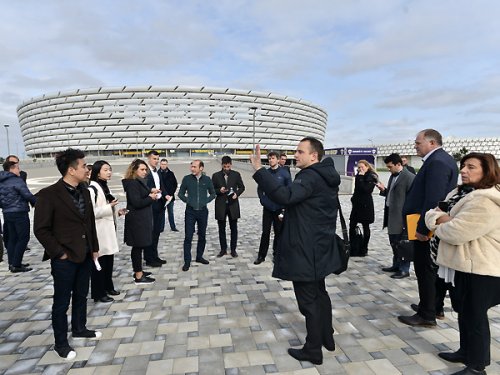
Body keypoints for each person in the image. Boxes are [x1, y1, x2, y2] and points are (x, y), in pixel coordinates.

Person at [250, 137, 341, 366]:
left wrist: (260, 171)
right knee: (320, 294)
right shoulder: (325, 176)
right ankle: (326, 337)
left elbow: (285, 196)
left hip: (305, 249)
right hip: (319, 247)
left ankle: (313, 350)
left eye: (300, 152)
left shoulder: (310, 176)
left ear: (314, 156)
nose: (295, 155)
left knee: (308, 301)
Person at [425, 153, 500, 375]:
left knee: (475, 316)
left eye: (471, 167)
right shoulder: (459, 193)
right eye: (463, 166)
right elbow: (433, 212)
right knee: (465, 312)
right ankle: (465, 352)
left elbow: (457, 232)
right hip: (461, 265)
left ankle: (478, 366)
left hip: (481, 268)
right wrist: (441, 218)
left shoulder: (485, 200)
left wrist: (441, 221)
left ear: (487, 171)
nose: (464, 171)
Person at [34, 148, 102, 360]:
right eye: (83, 166)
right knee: (61, 303)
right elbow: (41, 229)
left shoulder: (84, 190)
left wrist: (94, 248)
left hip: (84, 255)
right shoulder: (48, 195)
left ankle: (79, 328)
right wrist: (59, 253)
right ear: (71, 170)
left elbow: (89, 222)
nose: (87, 169)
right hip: (65, 259)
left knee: (81, 295)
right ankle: (60, 344)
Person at [398, 129, 458, 328]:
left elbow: (434, 199)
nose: (415, 146)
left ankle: (427, 314)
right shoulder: (440, 160)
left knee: (425, 269)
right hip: (429, 223)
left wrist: (423, 228)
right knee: (432, 268)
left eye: (418, 143)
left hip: (427, 227)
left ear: (432, 143)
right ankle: (433, 306)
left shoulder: (438, 162)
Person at [88, 161, 125, 303]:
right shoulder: (93, 189)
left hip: (108, 231)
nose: (109, 172)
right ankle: (98, 293)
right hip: (99, 233)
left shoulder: (104, 187)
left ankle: (108, 287)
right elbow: (91, 213)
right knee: (99, 263)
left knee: (109, 261)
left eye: (110, 169)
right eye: (105, 170)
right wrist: (109, 207)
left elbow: (106, 210)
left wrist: (117, 212)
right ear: (98, 172)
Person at [376, 153, 415, 279]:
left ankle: (404, 269)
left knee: (402, 243)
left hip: (401, 217)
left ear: (399, 164)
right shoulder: (392, 176)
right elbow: (393, 193)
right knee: (394, 242)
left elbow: (412, 199)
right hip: (391, 215)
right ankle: (396, 265)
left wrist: (407, 218)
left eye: (390, 167)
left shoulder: (410, 178)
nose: (388, 169)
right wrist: (384, 191)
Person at [122, 159, 158, 285]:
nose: (144, 172)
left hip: (141, 219)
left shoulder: (137, 182)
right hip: (137, 221)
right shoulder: (132, 183)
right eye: (142, 169)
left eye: (145, 169)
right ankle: (138, 275)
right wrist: (150, 197)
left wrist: (150, 192)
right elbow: (136, 202)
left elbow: (140, 195)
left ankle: (139, 271)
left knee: (140, 246)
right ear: (134, 170)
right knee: (137, 247)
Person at [254, 151, 291, 265]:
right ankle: (261, 256)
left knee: (279, 233)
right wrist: (263, 200)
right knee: (265, 232)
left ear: (278, 159)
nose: (270, 160)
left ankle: (277, 255)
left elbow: (289, 191)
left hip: (279, 208)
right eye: (269, 158)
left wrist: (284, 207)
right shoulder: (265, 173)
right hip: (268, 208)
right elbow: (260, 189)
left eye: (273, 158)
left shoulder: (285, 174)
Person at [178, 160, 216, 272]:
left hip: (203, 212)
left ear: (201, 168)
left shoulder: (207, 180)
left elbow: (213, 193)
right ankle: (187, 261)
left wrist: (205, 201)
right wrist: (188, 201)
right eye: (191, 167)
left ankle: (199, 257)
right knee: (188, 237)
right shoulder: (186, 179)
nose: (192, 169)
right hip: (190, 212)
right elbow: (180, 194)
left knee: (202, 235)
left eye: (194, 167)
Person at [0, 160, 36, 272]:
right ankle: (16, 264)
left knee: (12, 239)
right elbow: (27, 195)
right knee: (23, 238)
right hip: (19, 213)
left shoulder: (1, 181)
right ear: (11, 168)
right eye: (17, 168)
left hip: (6, 213)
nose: (19, 170)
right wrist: (38, 202)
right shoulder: (16, 180)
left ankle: (12, 263)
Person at [212, 156, 245, 258]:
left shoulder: (236, 174)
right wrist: (219, 190)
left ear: (231, 164)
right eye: (225, 166)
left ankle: (233, 250)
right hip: (221, 205)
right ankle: (223, 249)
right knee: (221, 228)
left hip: (233, 205)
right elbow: (212, 190)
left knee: (233, 228)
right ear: (222, 165)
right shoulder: (216, 176)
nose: (226, 168)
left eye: (228, 166)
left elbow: (242, 187)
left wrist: (237, 194)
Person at [349, 160, 378, 256]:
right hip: (357, 204)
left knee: (366, 226)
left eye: (362, 167)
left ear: (367, 167)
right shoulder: (359, 175)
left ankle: (364, 248)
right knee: (352, 224)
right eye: (359, 167)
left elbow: (366, 190)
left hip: (366, 205)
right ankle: (353, 246)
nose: (360, 169)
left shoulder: (371, 176)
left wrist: (361, 177)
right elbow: (357, 189)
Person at [144, 150, 167, 267]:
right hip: (150, 205)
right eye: (154, 159)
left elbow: (161, 185)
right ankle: (149, 259)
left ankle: (155, 255)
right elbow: (143, 187)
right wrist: (151, 190)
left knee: (157, 232)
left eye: (157, 159)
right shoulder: (145, 171)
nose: (156, 161)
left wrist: (166, 194)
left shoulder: (157, 172)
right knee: (150, 233)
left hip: (159, 204)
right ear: (149, 158)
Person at [158, 158, 178, 231]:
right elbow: (158, 186)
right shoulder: (157, 174)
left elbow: (175, 184)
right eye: (162, 164)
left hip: (170, 196)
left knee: (171, 213)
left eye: (165, 164)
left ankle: (173, 227)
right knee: (161, 213)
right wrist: (164, 195)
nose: (163, 166)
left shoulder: (171, 173)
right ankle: (161, 228)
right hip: (161, 197)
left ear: (167, 164)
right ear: (160, 164)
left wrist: (171, 194)